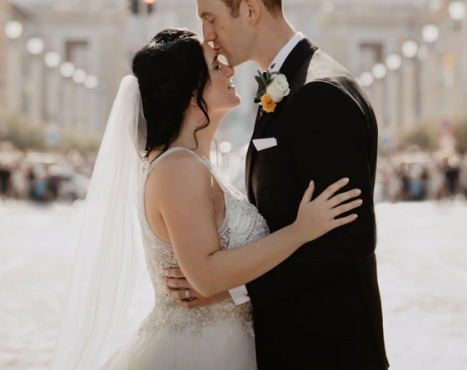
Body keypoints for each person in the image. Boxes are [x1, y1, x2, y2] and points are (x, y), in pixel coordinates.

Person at [56, 28, 361, 369]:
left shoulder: (190, 163)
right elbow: (206, 276)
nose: (230, 70)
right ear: (190, 92)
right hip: (198, 351)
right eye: (217, 66)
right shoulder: (179, 168)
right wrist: (301, 231)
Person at [167, 0, 389, 368]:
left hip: (327, 349)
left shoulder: (318, 93)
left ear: (249, 9)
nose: (207, 35)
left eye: (211, 17)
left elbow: (348, 238)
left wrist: (230, 290)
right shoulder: (292, 83)